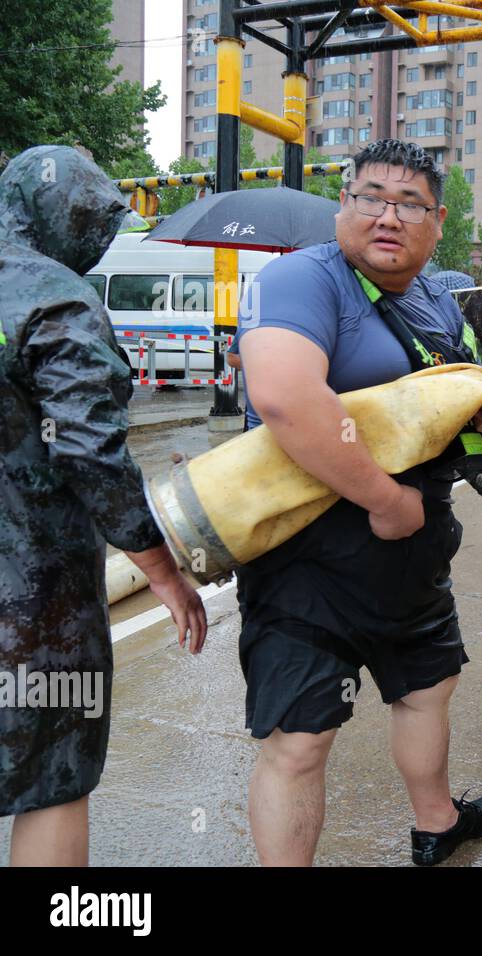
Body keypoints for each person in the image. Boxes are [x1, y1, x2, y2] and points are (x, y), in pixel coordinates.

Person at [234, 139, 482, 867]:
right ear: (342, 204)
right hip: (309, 556)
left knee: (426, 684)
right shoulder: (298, 281)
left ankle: (436, 822)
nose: (389, 215)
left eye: (410, 203)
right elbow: (285, 400)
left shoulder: (434, 296)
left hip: (414, 549)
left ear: (438, 220)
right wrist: (384, 500)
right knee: (301, 736)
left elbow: (454, 389)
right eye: (370, 197)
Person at [0, 146, 208, 866]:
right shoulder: (53, 295)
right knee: (54, 778)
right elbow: (90, 453)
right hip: (34, 598)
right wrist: (161, 569)